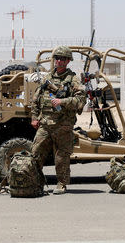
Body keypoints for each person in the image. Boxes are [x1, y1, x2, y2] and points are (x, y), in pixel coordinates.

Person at [31, 46, 86, 195]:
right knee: (35, 153)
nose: (59, 61)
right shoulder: (47, 78)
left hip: (63, 125)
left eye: (62, 59)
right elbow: (36, 99)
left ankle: (61, 184)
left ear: (68, 61)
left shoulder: (73, 80)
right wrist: (34, 118)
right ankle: (36, 182)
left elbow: (81, 101)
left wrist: (63, 102)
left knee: (62, 157)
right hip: (46, 124)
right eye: (57, 58)